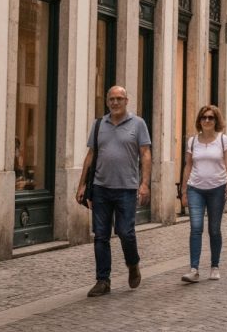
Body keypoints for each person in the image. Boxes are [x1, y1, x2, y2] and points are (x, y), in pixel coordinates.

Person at [75, 86, 151, 297]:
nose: (115, 102)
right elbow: (90, 155)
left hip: (127, 188)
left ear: (127, 101)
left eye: (119, 99)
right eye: (112, 99)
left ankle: (133, 263)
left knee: (125, 232)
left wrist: (144, 184)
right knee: (100, 235)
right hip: (100, 188)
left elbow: (145, 154)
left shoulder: (138, 124)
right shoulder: (99, 124)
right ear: (107, 101)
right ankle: (102, 280)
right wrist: (82, 185)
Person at [179, 105, 227, 282]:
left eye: (211, 118)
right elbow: (188, 165)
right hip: (195, 188)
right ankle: (194, 269)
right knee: (196, 228)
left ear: (216, 120)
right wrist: (184, 190)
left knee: (214, 229)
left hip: (217, 188)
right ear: (199, 120)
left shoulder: (223, 140)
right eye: (204, 117)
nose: (207, 120)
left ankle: (214, 266)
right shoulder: (192, 141)